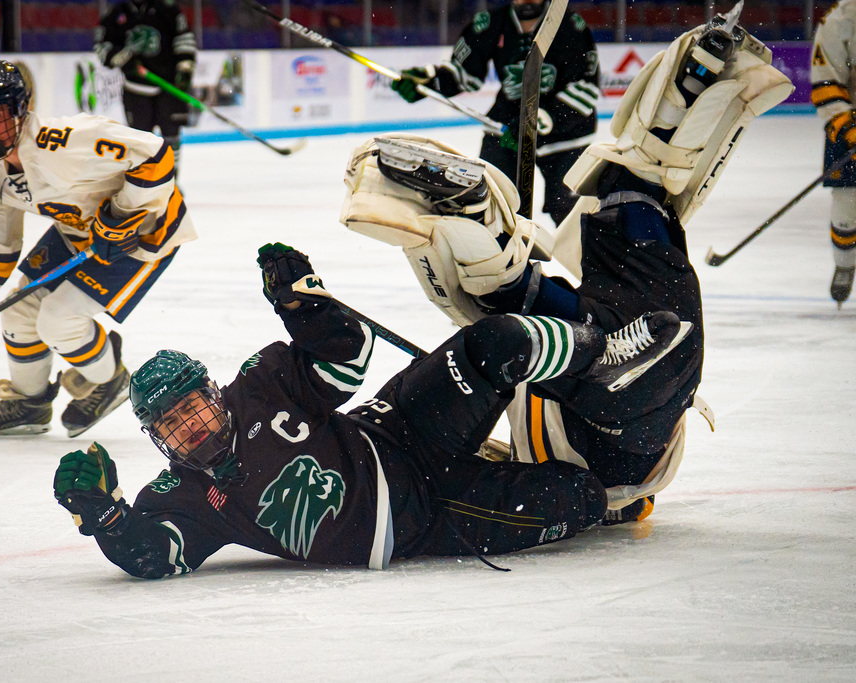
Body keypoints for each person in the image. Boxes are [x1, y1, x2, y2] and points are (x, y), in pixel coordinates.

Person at [348, 15, 791, 522]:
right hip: (618, 402)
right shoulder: (578, 478)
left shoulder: (614, 465)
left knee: (632, 197)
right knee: (512, 304)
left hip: (644, 362)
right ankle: (481, 233)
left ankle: (692, 88)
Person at [52, 240, 692, 578]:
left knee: (494, 342)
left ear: (212, 393)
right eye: (170, 424)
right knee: (578, 496)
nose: (189, 427)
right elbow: (154, 555)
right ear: (158, 438)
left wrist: (303, 308)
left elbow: (348, 360)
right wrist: (103, 514)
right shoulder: (185, 497)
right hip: (425, 515)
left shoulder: (260, 383)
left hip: (397, 424)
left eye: (191, 407)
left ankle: (602, 355)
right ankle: (599, 499)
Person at [0, 60, 196, 437]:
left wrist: (121, 215)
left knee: (59, 320)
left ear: (20, 111)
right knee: (18, 312)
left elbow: (154, 155)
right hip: (76, 230)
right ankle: (30, 402)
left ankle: (109, 380)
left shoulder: (66, 141)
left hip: (145, 235)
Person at [390, 0, 599, 226]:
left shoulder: (570, 26)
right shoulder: (490, 24)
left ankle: (586, 248)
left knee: (572, 215)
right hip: (508, 128)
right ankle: (501, 248)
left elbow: (586, 87)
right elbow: (464, 73)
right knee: (490, 206)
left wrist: (537, 120)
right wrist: (431, 80)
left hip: (565, 135)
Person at [95, 0, 196, 179]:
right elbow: (102, 48)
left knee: (171, 137)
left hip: (168, 87)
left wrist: (185, 68)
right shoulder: (116, 14)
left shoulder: (167, 8)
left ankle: (171, 180)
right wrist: (125, 59)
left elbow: (184, 38)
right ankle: (142, 183)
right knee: (139, 141)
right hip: (135, 88)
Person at [811, 0, 856, 307]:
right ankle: (845, 263)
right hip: (848, 125)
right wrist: (848, 127)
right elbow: (826, 79)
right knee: (845, 208)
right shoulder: (840, 19)